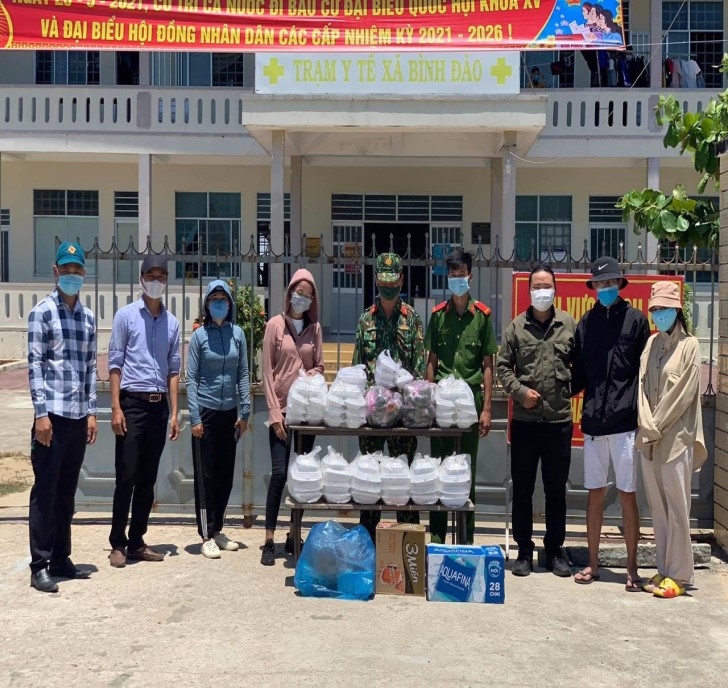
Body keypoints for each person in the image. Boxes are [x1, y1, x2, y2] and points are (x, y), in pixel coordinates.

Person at [571, 257, 650, 590]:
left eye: (610, 283)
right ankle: (592, 564)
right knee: (595, 494)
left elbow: (645, 372)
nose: (605, 289)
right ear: (593, 288)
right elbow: (576, 373)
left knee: (628, 494)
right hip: (593, 424)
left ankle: (632, 568)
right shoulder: (586, 323)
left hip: (625, 424)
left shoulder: (636, 321)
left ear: (619, 284)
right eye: (600, 284)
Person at [497, 265, 576, 578]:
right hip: (526, 423)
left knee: (556, 491)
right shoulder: (516, 328)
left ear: (555, 289)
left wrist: (565, 392)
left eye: (547, 286)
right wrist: (519, 392)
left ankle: (554, 551)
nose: (542, 291)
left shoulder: (569, 325)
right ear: (529, 290)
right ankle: (524, 551)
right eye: (537, 286)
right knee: (523, 490)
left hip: (558, 422)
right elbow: (503, 368)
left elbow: (580, 365)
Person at [27, 242, 97, 593]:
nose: (72, 274)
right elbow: (35, 365)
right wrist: (41, 414)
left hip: (76, 417)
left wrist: (91, 413)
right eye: (66, 268)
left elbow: (90, 368)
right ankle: (39, 565)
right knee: (45, 491)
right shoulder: (41, 313)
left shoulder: (88, 318)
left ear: (84, 273)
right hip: (51, 419)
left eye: (77, 269)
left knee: (67, 492)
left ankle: (61, 558)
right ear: (55, 271)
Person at [108, 254, 180, 568]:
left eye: (161, 276)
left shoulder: (172, 323)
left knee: (148, 479)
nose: (156, 281)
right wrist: (115, 407)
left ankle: (137, 540)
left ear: (166, 281)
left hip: (158, 407)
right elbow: (115, 363)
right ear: (141, 279)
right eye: (151, 275)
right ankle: (117, 543)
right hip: (132, 404)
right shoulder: (125, 316)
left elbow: (174, 370)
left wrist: (174, 413)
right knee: (126, 476)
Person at [637, 282, 707, 598]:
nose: (658, 314)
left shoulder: (690, 346)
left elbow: (683, 394)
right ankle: (664, 569)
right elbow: (641, 387)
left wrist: (655, 425)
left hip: (676, 438)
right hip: (650, 439)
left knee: (678, 507)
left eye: (663, 308)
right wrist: (646, 423)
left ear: (676, 310)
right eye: (655, 309)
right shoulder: (651, 344)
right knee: (658, 508)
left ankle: (679, 574)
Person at [424, 249, 497, 544]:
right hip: (441, 403)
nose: (457, 280)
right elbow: (431, 361)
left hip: (470, 404)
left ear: (470, 277)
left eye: (461, 275)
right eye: (453, 275)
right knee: (438, 472)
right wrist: (429, 401)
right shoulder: (438, 316)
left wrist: (487, 409)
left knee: (466, 473)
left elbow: (488, 365)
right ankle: (437, 540)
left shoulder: (482, 317)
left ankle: (466, 542)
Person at [352, 252, 425, 541]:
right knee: (369, 483)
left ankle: (407, 546)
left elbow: (419, 368)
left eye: (393, 282)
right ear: (376, 280)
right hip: (372, 416)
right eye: (384, 282)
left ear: (402, 281)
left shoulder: (412, 319)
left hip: (402, 417)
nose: (389, 287)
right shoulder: (365, 320)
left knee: (402, 484)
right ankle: (368, 546)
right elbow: (358, 367)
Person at [261, 269, 324, 566]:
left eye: (308, 294)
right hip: (282, 414)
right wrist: (274, 414)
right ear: (289, 293)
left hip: (306, 416)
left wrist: (311, 374)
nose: (303, 298)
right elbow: (266, 372)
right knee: (279, 474)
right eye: (299, 292)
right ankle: (268, 539)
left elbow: (320, 366)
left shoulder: (315, 328)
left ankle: (293, 534)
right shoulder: (274, 326)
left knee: (302, 477)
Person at [187, 280, 250, 560]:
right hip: (206, 412)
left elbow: (243, 373)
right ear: (207, 305)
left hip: (229, 415)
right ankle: (205, 535)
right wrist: (195, 417)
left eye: (223, 299)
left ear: (230, 304)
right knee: (206, 477)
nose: (219, 304)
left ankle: (218, 530)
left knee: (225, 476)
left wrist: (245, 411)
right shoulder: (199, 337)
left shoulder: (238, 334)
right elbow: (191, 379)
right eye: (214, 300)